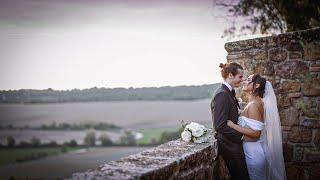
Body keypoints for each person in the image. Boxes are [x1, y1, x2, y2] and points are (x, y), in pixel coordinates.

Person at [227, 74, 286, 180]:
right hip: (257, 149)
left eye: (248, 80)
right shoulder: (258, 102)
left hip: (254, 151)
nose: (244, 82)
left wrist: (232, 125)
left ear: (257, 85)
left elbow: (256, 133)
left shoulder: (253, 105)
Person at [210, 62, 250, 180]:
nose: (242, 80)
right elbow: (220, 125)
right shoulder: (222, 94)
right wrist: (241, 136)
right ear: (230, 75)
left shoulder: (229, 92)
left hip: (234, 144)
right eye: (240, 77)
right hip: (229, 145)